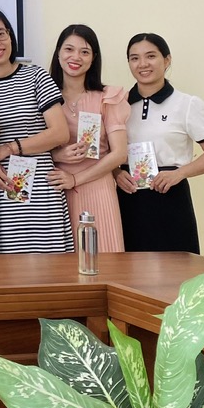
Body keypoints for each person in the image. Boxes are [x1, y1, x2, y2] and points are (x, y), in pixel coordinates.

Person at [0, 8, 72, 253]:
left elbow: (60, 133)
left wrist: (8, 148)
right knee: (6, 268)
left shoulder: (36, 76)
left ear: (10, 36)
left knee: (50, 266)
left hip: (42, 190)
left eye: (1, 33)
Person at [114, 33, 204, 253]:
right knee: (127, 266)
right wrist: (116, 173)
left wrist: (179, 173)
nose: (142, 64)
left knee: (175, 267)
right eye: (134, 58)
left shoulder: (187, 104)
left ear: (167, 60)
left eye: (151, 56)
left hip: (170, 197)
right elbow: (106, 151)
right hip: (128, 197)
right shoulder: (119, 104)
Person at [47, 24, 129, 252]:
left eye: (84, 52)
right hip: (55, 190)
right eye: (69, 49)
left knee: (103, 257)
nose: (76, 57)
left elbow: (119, 153)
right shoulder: (44, 96)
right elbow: (32, 145)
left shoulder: (107, 97)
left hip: (98, 187)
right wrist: (57, 155)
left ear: (93, 58)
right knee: (60, 263)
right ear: (58, 53)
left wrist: (76, 179)